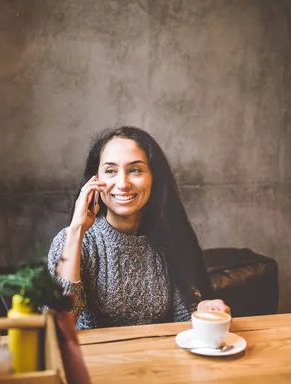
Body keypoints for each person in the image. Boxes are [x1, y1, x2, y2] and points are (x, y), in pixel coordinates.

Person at [48, 126, 230, 330]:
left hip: (157, 357)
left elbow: (182, 318)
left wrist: (202, 309)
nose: (123, 183)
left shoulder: (167, 236)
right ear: (95, 180)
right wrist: (76, 231)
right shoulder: (74, 240)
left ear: (153, 177)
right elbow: (58, 324)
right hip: (95, 360)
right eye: (110, 171)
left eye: (135, 170)